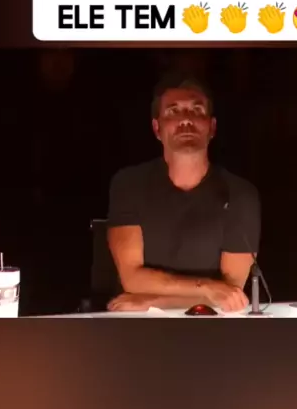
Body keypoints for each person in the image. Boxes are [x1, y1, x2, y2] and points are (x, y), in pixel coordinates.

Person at [106, 73, 261, 312]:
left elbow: (230, 295)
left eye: (197, 111)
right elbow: (132, 279)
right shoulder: (128, 184)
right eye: (173, 111)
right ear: (157, 128)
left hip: (211, 323)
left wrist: (152, 302)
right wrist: (206, 288)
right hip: (138, 325)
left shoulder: (240, 194)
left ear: (212, 127)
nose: (186, 120)